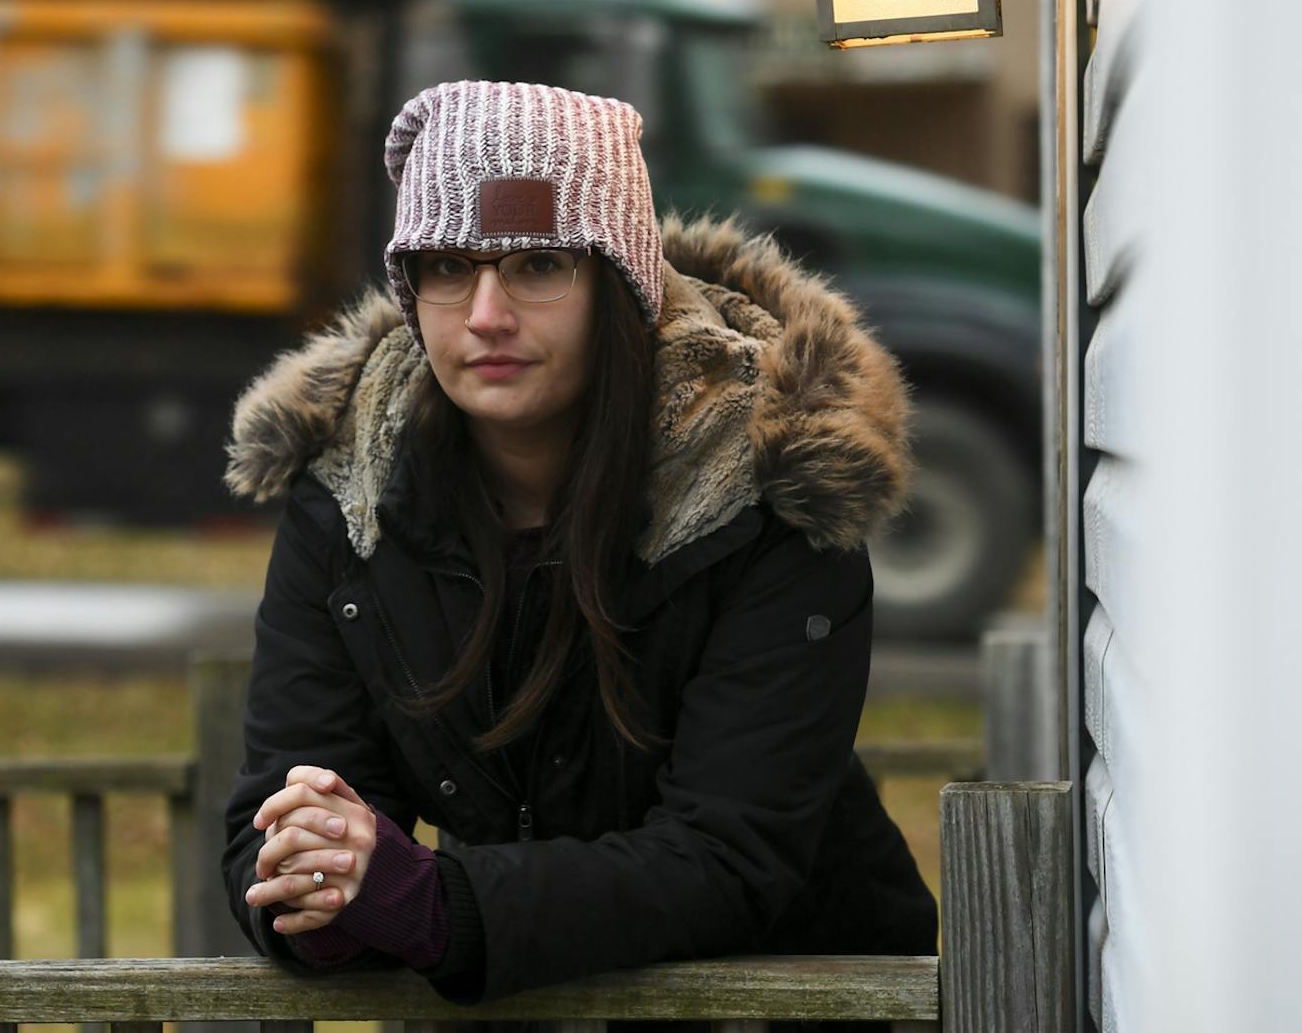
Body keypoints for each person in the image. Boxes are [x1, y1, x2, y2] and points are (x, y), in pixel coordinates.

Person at [215, 79, 939, 1033]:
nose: (485, 313)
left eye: (539, 263)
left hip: (794, 1005)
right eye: (446, 264)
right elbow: (282, 807)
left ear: (621, 284)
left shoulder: (770, 489)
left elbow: (728, 855)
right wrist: (320, 890)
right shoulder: (348, 493)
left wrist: (428, 900)